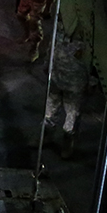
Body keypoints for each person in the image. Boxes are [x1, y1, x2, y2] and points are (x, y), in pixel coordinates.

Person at [44, 22, 91, 159]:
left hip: (76, 81)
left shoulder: (88, 28)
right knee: (50, 109)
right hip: (57, 75)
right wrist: (47, 63)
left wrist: (92, 81)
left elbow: (94, 57)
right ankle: (46, 136)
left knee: (72, 114)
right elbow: (53, 43)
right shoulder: (62, 23)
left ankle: (68, 142)